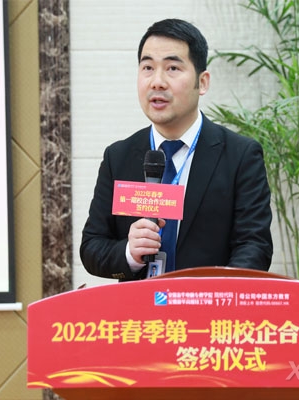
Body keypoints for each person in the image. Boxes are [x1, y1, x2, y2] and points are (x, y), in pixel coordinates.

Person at [80, 18, 273, 281]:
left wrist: (213, 295)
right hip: (139, 307)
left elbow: (254, 247)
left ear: (202, 82)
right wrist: (129, 253)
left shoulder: (240, 156)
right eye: (148, 68)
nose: (157, 82)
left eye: (172, 68)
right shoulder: (119, 157)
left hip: (208, 304)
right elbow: (92, 247)